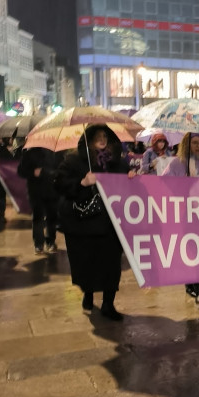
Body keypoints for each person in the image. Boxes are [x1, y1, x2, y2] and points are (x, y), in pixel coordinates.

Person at [54, 124, 135, 320]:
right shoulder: (74, 161)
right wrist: (82, 183)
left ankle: (108, 304)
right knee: (87, 264)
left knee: (111, 265)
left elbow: (128, 189)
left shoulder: (118, 162)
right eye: (97, 136)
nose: (102, 139)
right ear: (88, 139)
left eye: (105, 136)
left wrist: (132, 179)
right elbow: (59, 184)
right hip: (85, 226)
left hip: (112, 225)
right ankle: (88, 294)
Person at [161, 132, 199, 310]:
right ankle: (196, 285)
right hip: (184, 214)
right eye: (195, 143)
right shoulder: (177, 164)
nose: (198, 146)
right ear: (187, 144)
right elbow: (163, 183)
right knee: (191, 249)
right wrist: (181, 183)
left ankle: (193, 282)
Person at [17, 146, 60, 254]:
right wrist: (32, 172)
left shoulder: (55, 152)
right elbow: (20, 171)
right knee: (38, 218)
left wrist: (50, 173)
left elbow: (61, 170)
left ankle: (51, 242)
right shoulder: (29, 153)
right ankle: (38, 244)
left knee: (52, 218)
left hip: (52, 190)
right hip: (35, 192)